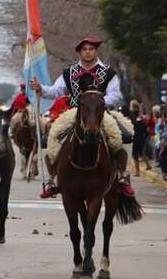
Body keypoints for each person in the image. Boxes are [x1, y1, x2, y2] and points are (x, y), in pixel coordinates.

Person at [30, 37, 133, 199]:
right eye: (84, 49)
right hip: (75, 112)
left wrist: (98, 102)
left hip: (100, 112)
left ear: (96, 51)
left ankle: (123, 176)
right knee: (47, 138)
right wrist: (40, 88)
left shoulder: (109, 72)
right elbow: (56, 91)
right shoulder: (69, 72)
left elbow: (115, 95)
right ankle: (53, 179)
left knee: (125, 136)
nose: (88, 52)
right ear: (80, 52)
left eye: (91, 49)